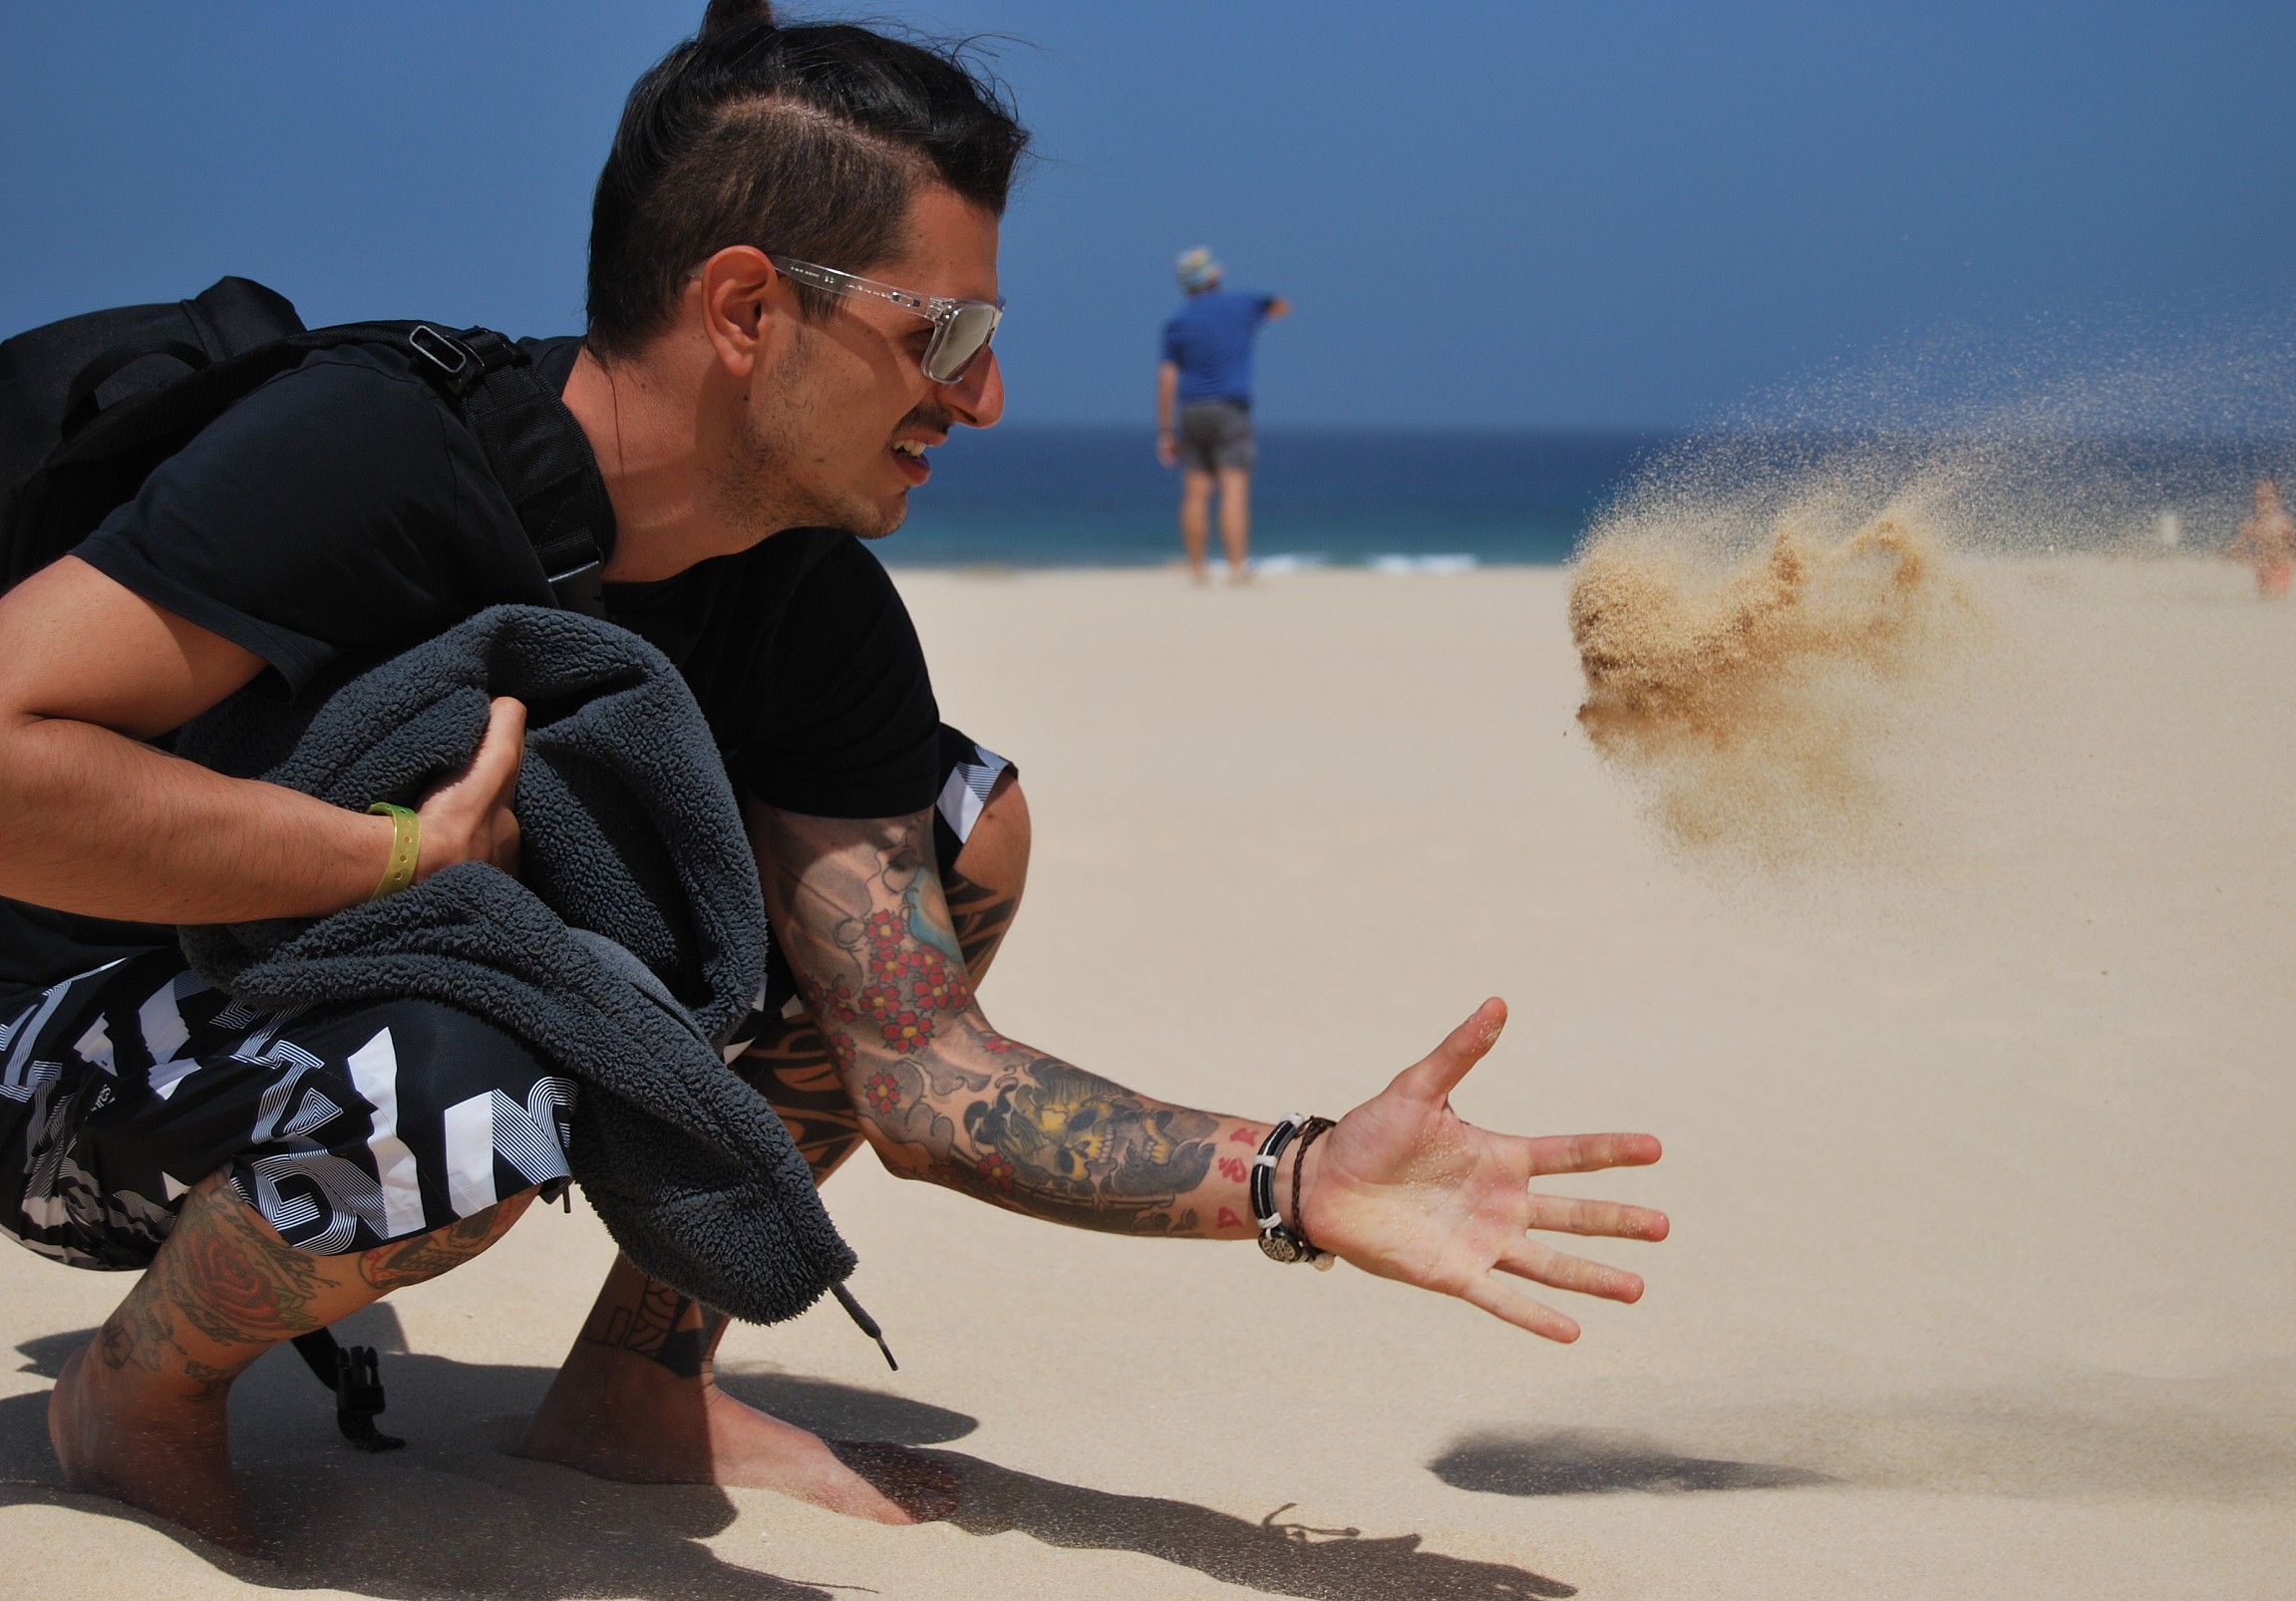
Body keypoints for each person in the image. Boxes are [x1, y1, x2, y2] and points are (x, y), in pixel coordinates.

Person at [0, 2, 1666, 1556]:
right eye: (943, 330)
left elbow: (921, 1066)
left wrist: (1293, 1177)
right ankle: (131, 1398)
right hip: (61, 1030)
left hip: (341, 1018)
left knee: (961, 833)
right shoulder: (374, 460)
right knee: (459, 1096)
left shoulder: (800, 600)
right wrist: (373, 856)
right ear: (743, 308)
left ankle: (635, 1390)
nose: (985, 397)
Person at [1155, 248, 1288, 582]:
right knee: (1233, 489)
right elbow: (1279, 306)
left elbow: (1167, 378)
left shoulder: (1178, 323)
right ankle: (1235, 568)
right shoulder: (1241, 305)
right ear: (1214, 277)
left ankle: (1197, 569)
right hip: (1230, 407)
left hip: (1192, 409)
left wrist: (1165, 432)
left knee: (1196, 492)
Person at [2225, 478, 2296, 598]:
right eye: (2260, 500)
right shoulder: (2250, 525)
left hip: (2282, 567)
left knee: (2277, 596)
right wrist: (2253, 563)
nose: (2264, 504)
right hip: (2263, 570)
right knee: (2266, 600)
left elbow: (2295, 549)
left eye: (2269, 499)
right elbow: (2237, 550)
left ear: (2278, 500)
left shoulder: (2283, 523)